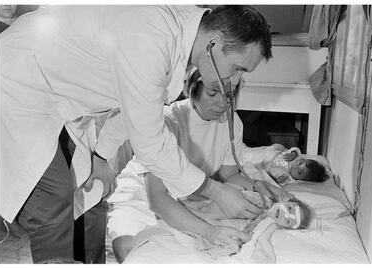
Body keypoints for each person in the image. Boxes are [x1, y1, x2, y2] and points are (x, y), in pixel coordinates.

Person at [0, 5, 271, 263]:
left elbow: (132, 109)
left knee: (92, 194)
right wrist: (215, 190)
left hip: (56, 99)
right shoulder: (152, 37)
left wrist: (101, 158)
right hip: (17, 81)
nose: (235, 81)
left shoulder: (176, 39)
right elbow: (150, 143)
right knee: (54, 200)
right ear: (214, 43)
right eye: (238, 68)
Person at [108, 70, 293, 263]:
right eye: (213, 94)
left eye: (228, 96)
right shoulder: (168, 121)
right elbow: (157, 199)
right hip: (144, 196)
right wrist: (209, 231)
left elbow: (228, 176)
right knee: (130, 250)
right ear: (193, 88)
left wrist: (258, 185)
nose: (222, 104)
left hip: (190, 196)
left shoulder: (232, 123)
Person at [256, 144, 329, 184]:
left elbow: (279, 182)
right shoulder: (295, 157)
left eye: (299, 172)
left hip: (265, 166)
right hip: (270, 154)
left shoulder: (289, 177)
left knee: (258, 170)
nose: (297, 167)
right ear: (301, 159)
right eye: (300, 163)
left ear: (301, 179)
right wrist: (293, 154)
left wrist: (278, 180)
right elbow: (296, 149)